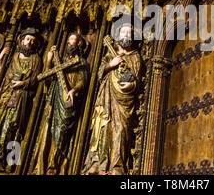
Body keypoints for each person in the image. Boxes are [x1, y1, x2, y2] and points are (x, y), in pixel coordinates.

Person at [0, 28, 43, 173]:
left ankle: (8, 163)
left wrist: (23, 83)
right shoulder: (14, 56)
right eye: (28, 39)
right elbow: (1, 75)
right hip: (5, 95)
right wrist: (0, 61)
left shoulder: (36, 59)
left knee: (13, 129)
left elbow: (36, 79)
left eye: (33, 41)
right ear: (22, 40)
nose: (29, 42)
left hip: (20, 98)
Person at [81, 24, 143, 175]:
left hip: (124, 102)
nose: (125, 35)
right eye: (123, 32)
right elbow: (98, 74)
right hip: (106, 97)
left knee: (121, 131)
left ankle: (117, 167)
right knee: (101, 129)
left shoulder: (135, 57)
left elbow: (139, 81)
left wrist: (132, 85)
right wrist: (111, 64)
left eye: (129, 33)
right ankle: (96, 165)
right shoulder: (110, 54)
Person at [30, 33, 90, 175]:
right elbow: (47, 80)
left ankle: (54, 165)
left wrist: (75, 90)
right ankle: (41, 165)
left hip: (68, 100)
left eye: (73, 40)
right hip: (54, 98)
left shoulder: (81, 62)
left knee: (62, 131)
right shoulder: (59, 62)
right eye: (68, 40)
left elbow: (84, 80)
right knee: (47, 129)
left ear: (79, 44)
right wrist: (49, 61)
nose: (70, 43)